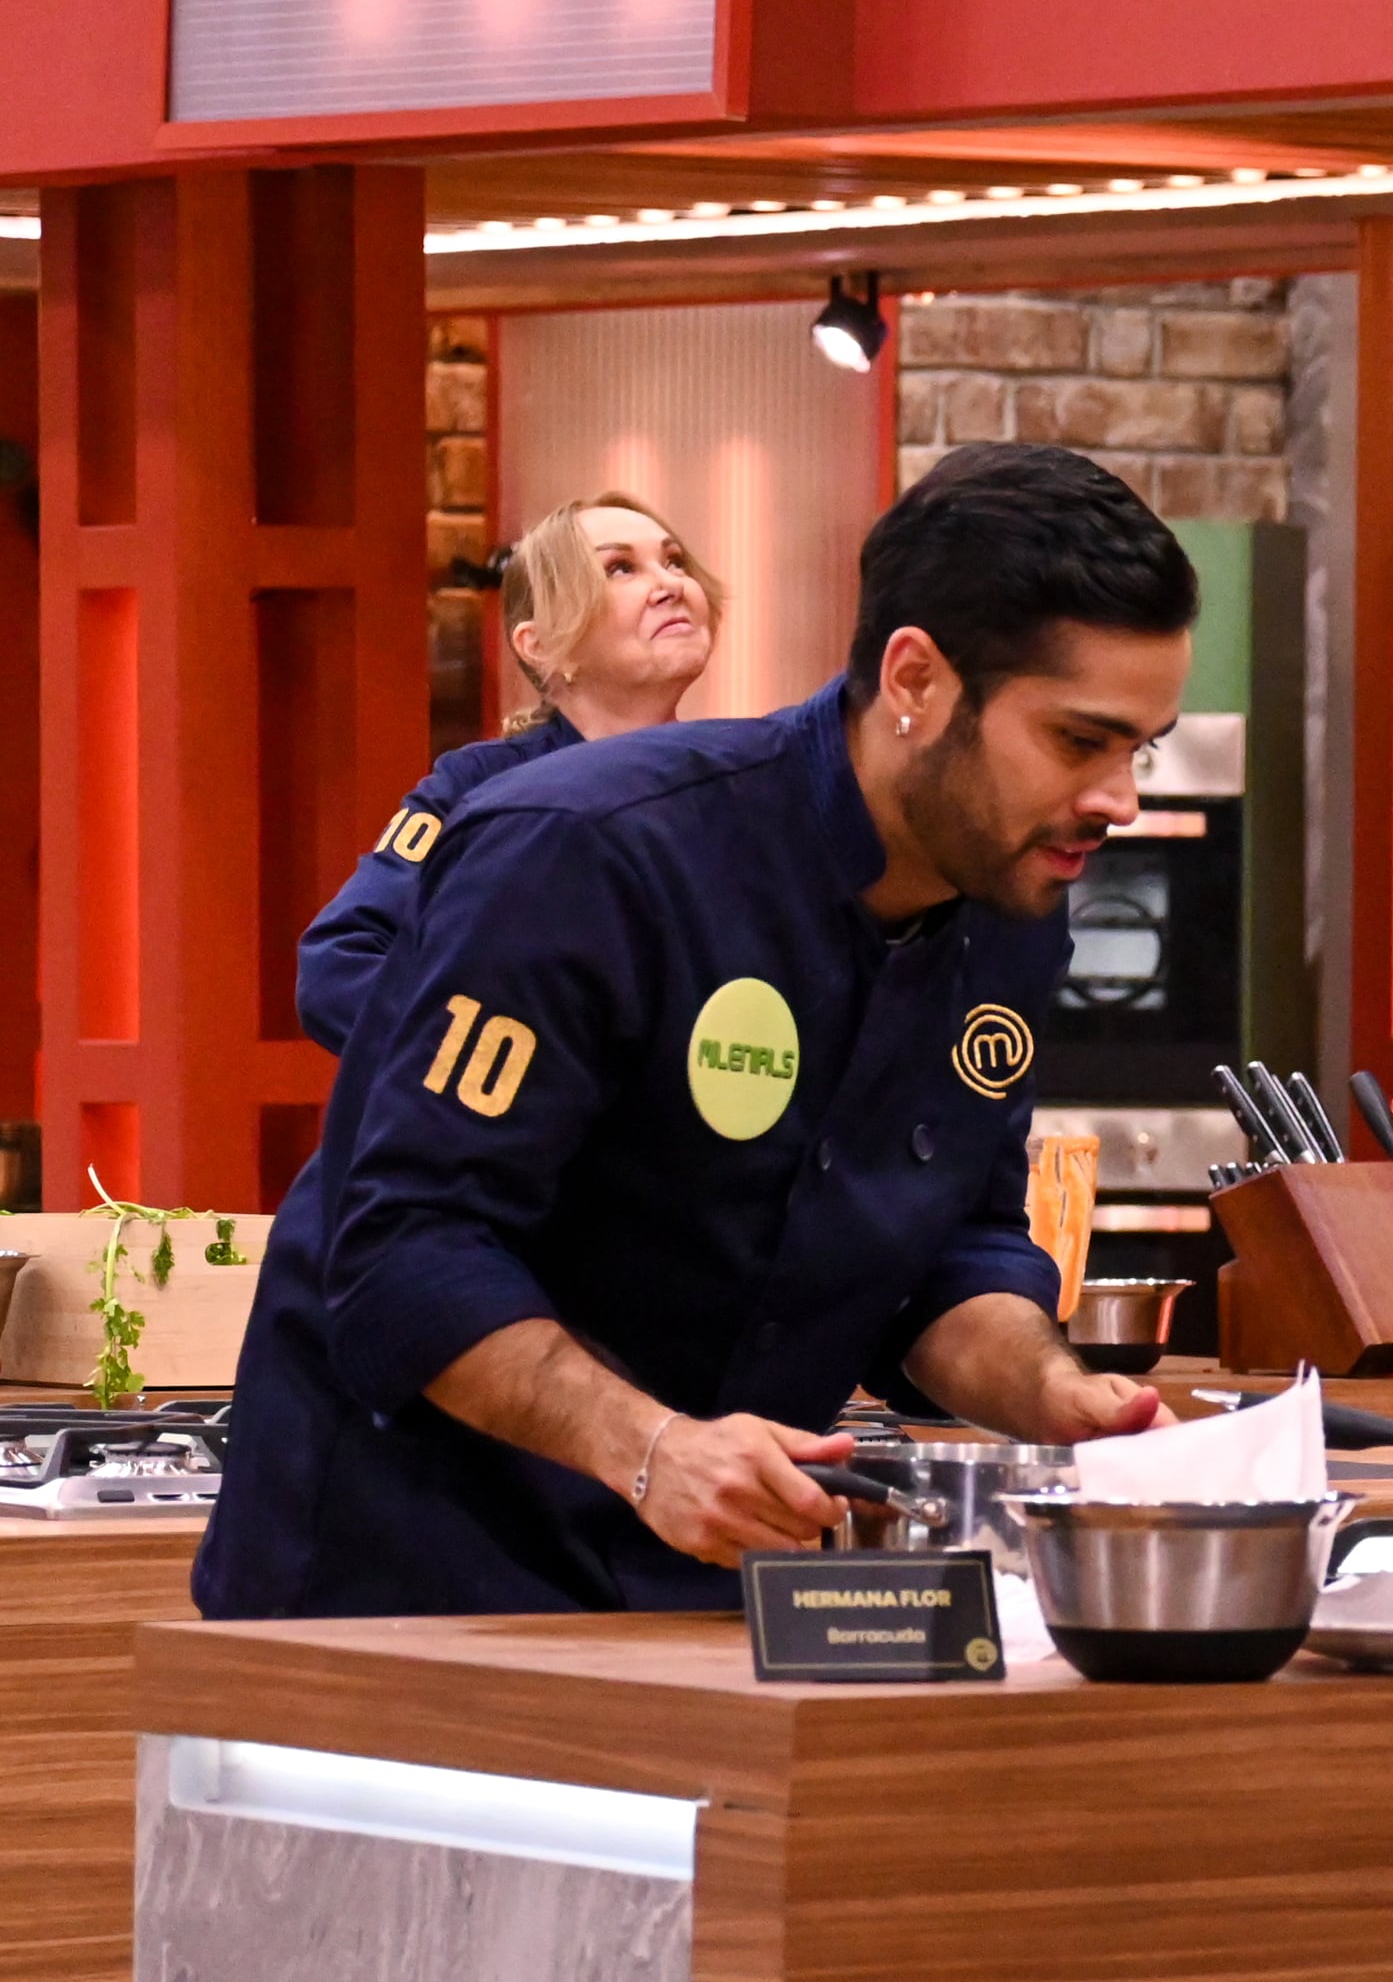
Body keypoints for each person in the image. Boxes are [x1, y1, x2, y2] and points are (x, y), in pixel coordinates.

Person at [196, 443, 1189, 1619]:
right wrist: (652, 1446)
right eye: (1081, 741)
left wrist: (1053, 1393)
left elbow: (945, 1255)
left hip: (702, 1585)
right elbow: (407, 1253)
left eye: (1142, 748)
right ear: (914, 678)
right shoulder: (589, 850)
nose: (1119, 799)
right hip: (404, 1582)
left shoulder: (1010, 911)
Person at [296, 492, 723, 1054]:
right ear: (541, 644)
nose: (670, 585)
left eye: (674, 561)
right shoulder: (477, 787)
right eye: (620, 568)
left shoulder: (740, 785)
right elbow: (337, 967)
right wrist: (508, 1061)